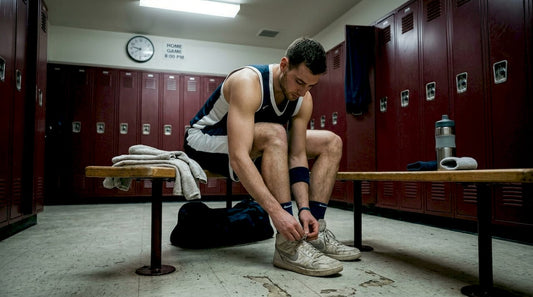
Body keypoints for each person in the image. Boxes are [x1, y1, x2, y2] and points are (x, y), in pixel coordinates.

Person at [184, 37, 360, 276]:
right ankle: (288, 246)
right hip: (205, 139)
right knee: (275, 134)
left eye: (310, 86)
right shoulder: (248, 82)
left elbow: (296, 155)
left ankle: (313, 232)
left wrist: (305, 209)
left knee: (331, 142)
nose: (303, 92)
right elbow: (238, 156)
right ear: (284, 64)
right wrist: (278, 214)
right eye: (299, 82)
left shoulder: (303, 97)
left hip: (254, 140)